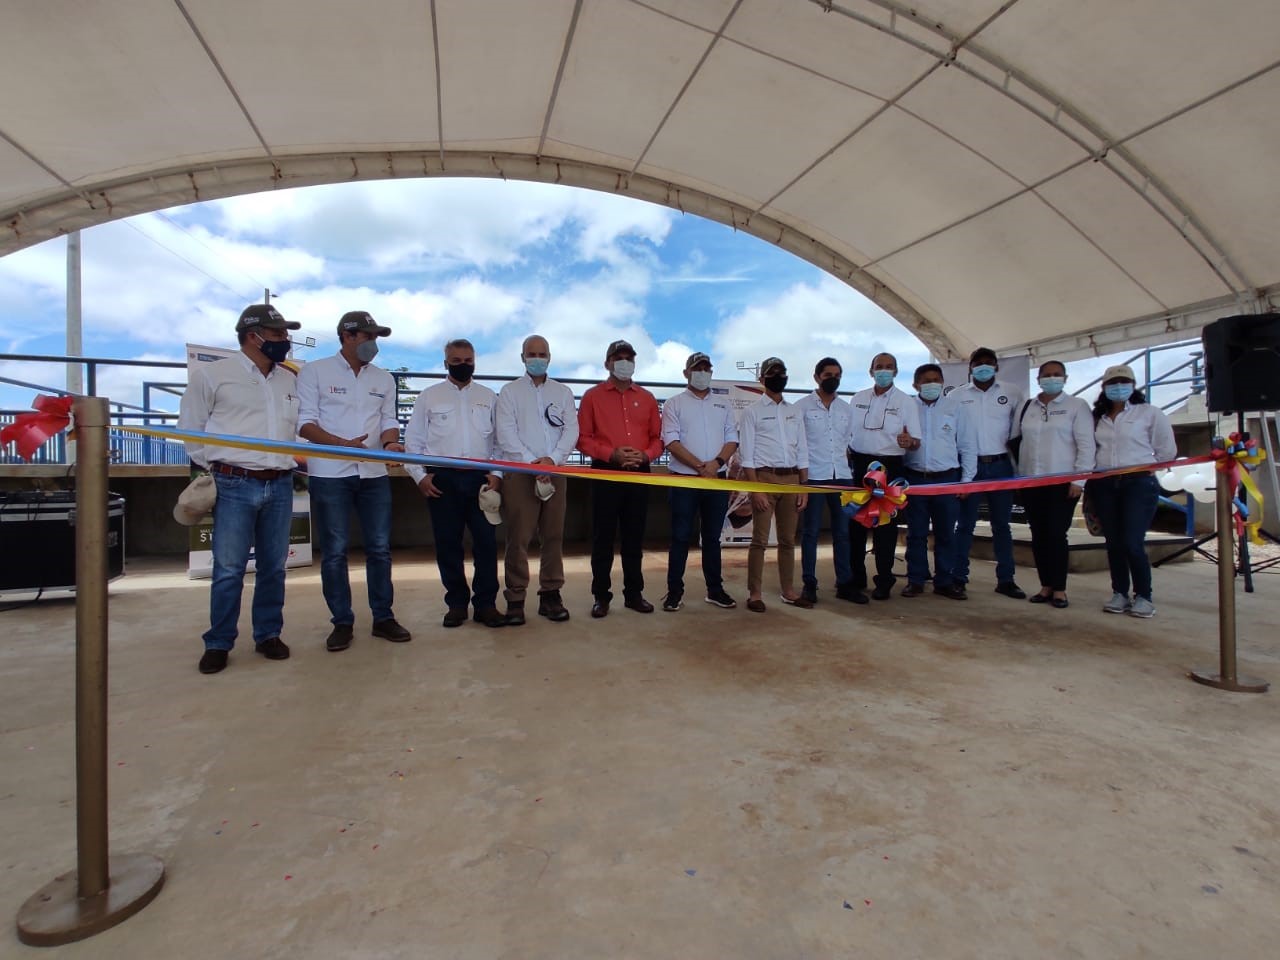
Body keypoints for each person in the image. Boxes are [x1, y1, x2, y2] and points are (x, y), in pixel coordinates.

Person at [178, 303, 302, 675]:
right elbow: (190, 429)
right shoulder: (215, 376)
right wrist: (218, 467)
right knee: (230, 568)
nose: (286, 340)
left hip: (280, 483)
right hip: (234, 483)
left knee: (274, 567)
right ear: (254, 335)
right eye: (279, 334)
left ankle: (267, 634)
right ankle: (218, 641)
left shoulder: (289, 380)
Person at [296, 311, 411, 652]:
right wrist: (341, 445)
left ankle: (383, 618)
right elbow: (305, 423)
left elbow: (389, 419)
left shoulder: (383, 378)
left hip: (374, 474)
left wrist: (390, 443)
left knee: (379, 549)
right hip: (331, 474)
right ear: (347, 336)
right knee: (334, 552)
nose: (373, 344)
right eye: (368, 336)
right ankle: (342, 622)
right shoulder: (315, 372)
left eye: (376, 337)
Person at [404, 339, 505, 629]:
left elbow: (499, 442)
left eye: (468, 359)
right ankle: (457, 604)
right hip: (442, 479)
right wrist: (419, 476)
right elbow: (414, 442)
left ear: (475, 360)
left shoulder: (489, 397)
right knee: (448, 544)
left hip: (480, 480)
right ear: (446, 362)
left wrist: (497, 474)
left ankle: (486, 604)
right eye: (457, 360)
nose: (464, 365)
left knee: (486, 545)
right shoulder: (429, 397)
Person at [576, 339, 664, 618]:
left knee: (634, 537)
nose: (624, 362)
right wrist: (611, 454)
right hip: (605, 471)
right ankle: (601, 597)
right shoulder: (592, 397)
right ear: (607, 363)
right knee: (602, 538)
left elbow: (657, 439)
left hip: (640, 473)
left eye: (629, 358)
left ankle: (634, 594)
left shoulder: (648, 398)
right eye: (618, 357)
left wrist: (645, 455)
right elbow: (582, 438)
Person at [495, 334, 578, 626]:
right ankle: (516, 598)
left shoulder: (563, 392)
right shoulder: (509, 393)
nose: (537, 359)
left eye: (542, 354)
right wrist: (532, 462)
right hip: (520, 473)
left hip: (556, 472)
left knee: (553, 535)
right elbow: (505, 434)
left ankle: (551, 595)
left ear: (550, 358)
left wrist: (551, 460)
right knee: (518, 537)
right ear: (522, 358)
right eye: (531, 354)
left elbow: (571, 431)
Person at [1086, 363, 1177, 618]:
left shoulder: (1150, 413)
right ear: (1104, 388)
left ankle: (1144, 596)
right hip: (1104, 483)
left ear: (1133, 385)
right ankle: (1119, 593)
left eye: (1123, 382)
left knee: (1132, 542)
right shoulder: (1097, 418)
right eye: (1112, 383)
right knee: (1113, 542)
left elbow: (1166, 450)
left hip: (1137, 484)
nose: (1118, 387)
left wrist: (1150, 468)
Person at [1011, 360, 1096, 609]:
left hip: (1062, 482)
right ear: (1038, 379)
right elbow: (1016, 441)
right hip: (1031, 481)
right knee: (1038, 535)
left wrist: (1079, 479)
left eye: (1056, 375)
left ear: (1065, 378)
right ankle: (1045, 586)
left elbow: (1086, 445)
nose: (1051, 378)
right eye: (1046, 375)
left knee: (1057, 534)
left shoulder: (1076, 406)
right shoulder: (1028, 407)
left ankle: (1060, 589)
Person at [660, 351, 739, 611]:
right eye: (697, 368)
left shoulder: (723, 405)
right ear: (686, 373)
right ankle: (674, 592)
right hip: (684, 479)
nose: (702, 372)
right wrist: (698, 466)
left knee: (713, 538)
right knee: (680, 536)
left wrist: (715, 464)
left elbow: (732, 438)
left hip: (717, 479)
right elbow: (671, 440)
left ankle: (715, 590)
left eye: (707, 368)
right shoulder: (674, 403)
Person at [951, 347, 1027, 599]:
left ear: (996, 366)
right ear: (969, 367)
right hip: (968, 467)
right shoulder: (956, 396)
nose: (983, 366)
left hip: (1001, 466)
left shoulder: (1012, 393)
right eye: (978, 363)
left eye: (988, 362)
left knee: (1002, 526)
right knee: (964, 525)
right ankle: (958, 577)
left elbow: (1017, 433)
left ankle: (1006, 579)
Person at [737, 357, 810, 613]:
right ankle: (754, 593)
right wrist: (755, 489)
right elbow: (747, 454)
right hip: (764, 479)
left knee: (788, 540)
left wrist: (804, 486)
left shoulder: (794, 411)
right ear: (762, 379)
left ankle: (788, 591)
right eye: (773, 373)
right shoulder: (752, 412)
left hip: (792, 480)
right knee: (759, 540)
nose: (778, 376)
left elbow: (802, 450)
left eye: (782, 372)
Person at [847, 353, 921, 601]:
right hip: (859, 467)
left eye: (889, 367)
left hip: (890, 468)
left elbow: (915, 442)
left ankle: (884, 580)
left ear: (896, 372)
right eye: (879, 367)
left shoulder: (905, 402)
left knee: (885, 529)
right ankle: (856, 578)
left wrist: (909, 441)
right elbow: (846, 434)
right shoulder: (858, 399)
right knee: (855, 525)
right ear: (871, 371)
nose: (884, 371)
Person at [901, 363, 974, 600]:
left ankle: (944, 580)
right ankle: (916, 579)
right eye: (926, 380)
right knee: (916, 533)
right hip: (916, 479)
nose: (932, 384)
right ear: (916, 384)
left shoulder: (956, 407)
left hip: (947, 479)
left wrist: (966, 480)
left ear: (942, 383)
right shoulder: (907, 407)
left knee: (945, 534)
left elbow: (966, 444)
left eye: (936, 380)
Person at [795, 357, 860, 605]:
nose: (833, 379)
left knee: (843, 533)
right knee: (810, 532)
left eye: (837, 375)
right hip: (813, 477)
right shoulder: (801, 407)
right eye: (827, 375)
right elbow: (799, 445)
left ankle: (844, 583)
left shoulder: (846, 409)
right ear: (816, 377)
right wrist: (802, 482)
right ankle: (809, 584)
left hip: (842, 476)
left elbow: (848, 443)